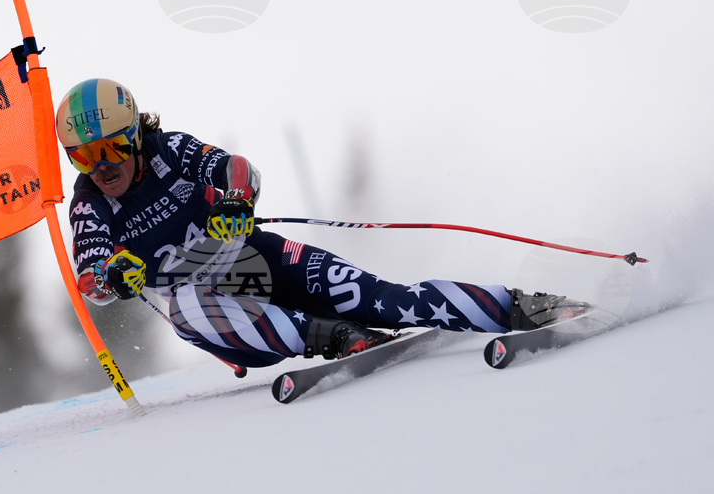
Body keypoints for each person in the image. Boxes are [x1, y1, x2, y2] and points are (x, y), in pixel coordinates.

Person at [57, 79, 588, 369]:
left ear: (134, 134)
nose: (102, 166)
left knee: (387, 300)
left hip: (258, 258)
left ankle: (523, 305)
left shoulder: (169, 149)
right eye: (82, 157)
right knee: (186, 304)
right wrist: (111, 276)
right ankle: (329, 337)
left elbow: (237, 169)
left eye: (110, 148)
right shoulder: (90, 205)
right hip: (223, 318)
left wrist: (237, 200)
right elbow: (89, 278)